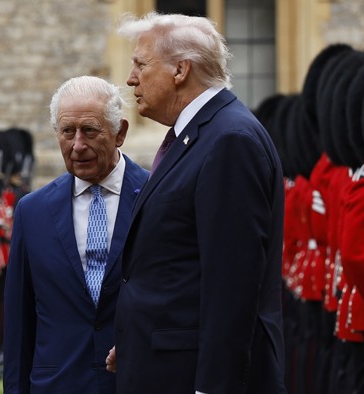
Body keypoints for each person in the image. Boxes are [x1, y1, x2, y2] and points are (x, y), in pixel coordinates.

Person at [108, 13, 286, 393]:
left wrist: (213, 387)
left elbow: (231, 287)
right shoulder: (198, 136)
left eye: (140, 64)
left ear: (180, 70)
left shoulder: (228, 141)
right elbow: (177, 267)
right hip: (167, 366)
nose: (130, 78)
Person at [4, 76, 148, 393]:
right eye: (67, 131)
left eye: (90, 131)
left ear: (120, 132)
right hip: (58, 383)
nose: (77, 145)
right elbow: (19, 321)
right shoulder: (33, 211)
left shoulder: (156, 197)